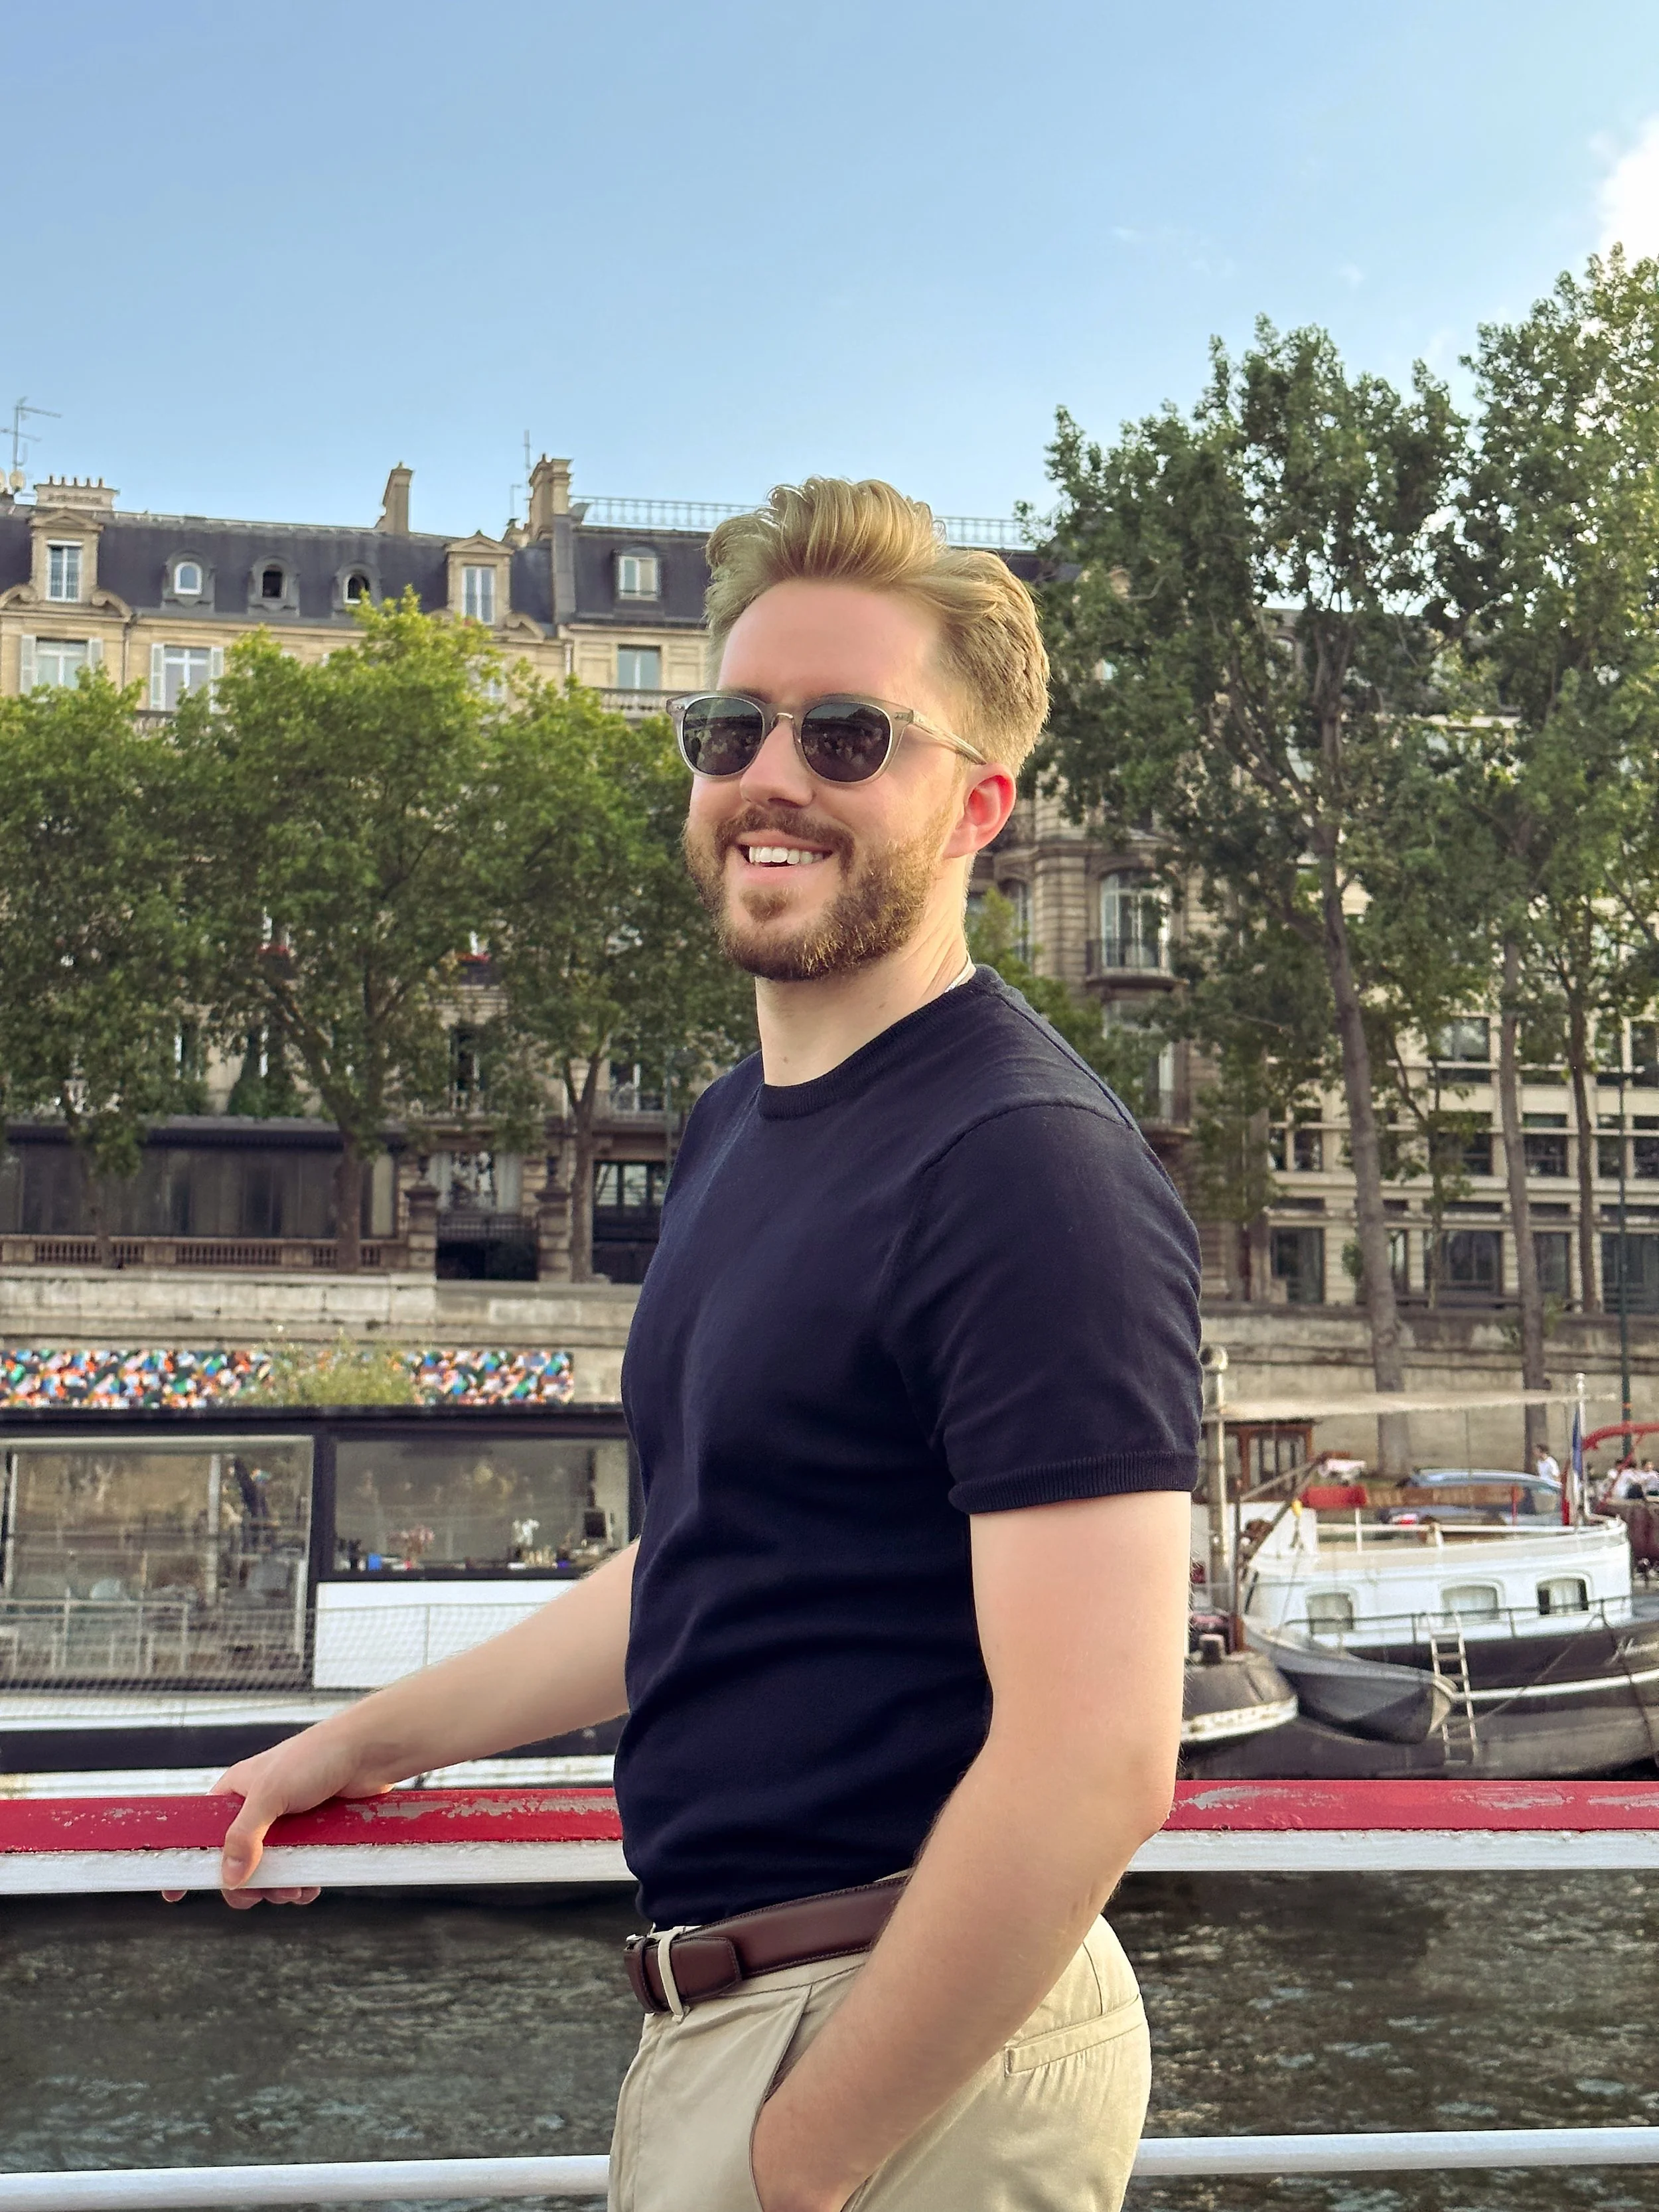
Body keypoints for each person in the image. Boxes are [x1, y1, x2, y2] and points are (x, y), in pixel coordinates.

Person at [174, 479, 1201, 2212]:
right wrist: (357, 1743)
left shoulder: (1025, 1166)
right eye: (732, 728)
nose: (770, 774)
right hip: (753, 2022)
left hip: (892, 2051)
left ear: (979, 806)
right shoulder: (739, 1123)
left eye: (847, 733)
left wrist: (805, 2153)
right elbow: (709, 1560)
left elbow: (1096, 1758)